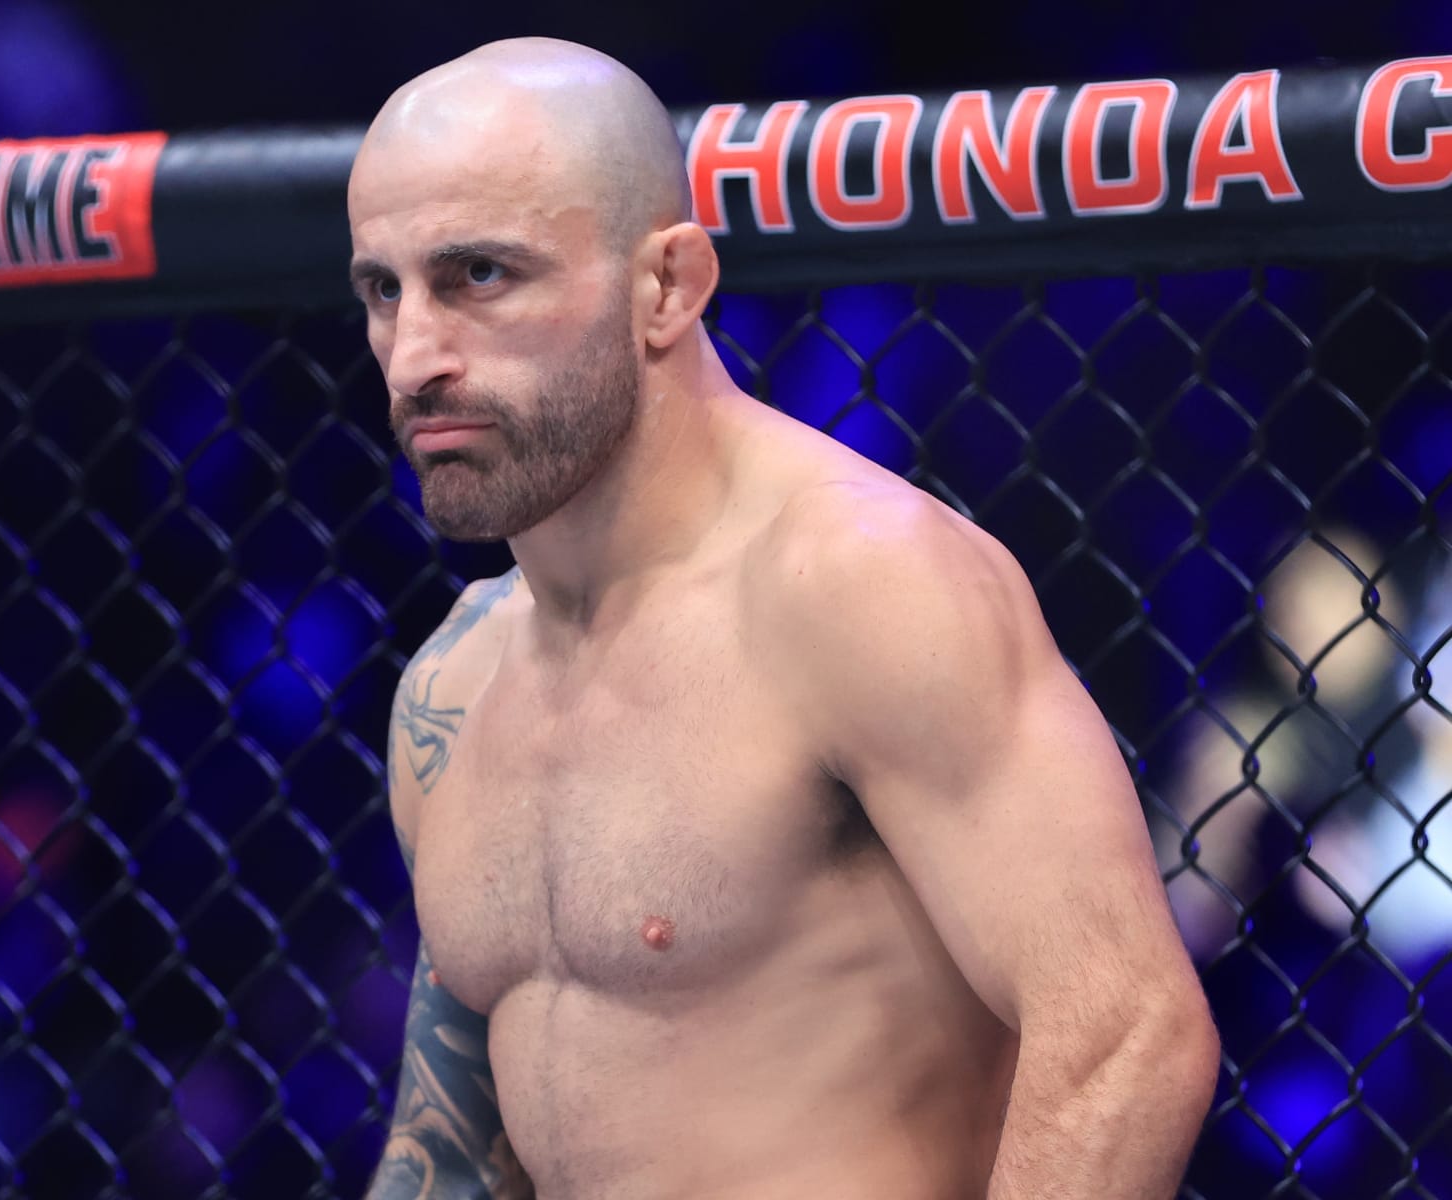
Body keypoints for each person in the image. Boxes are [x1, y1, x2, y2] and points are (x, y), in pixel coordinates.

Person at [349, 37, 1219, 1200]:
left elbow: (1125, 1033)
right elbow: (450, 1153)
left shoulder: (860, 585)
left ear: (667, 286)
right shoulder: (452, 686)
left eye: (480, 278)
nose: (413, 357)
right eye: (381, 290)